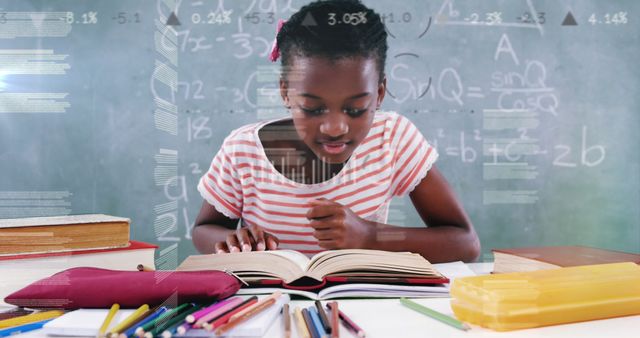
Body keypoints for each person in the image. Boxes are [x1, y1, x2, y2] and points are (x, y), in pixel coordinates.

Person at [192, 0, 480, 263]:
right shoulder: (242, 150)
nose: (335, 128)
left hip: (361, 305)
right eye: (312, 109)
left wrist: (369, 236)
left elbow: (465, 243)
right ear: (286, 92)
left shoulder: (392, 138)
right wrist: (229, 242)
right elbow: (204, 229)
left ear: (379, 94)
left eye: (356, 110)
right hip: (267, 307)